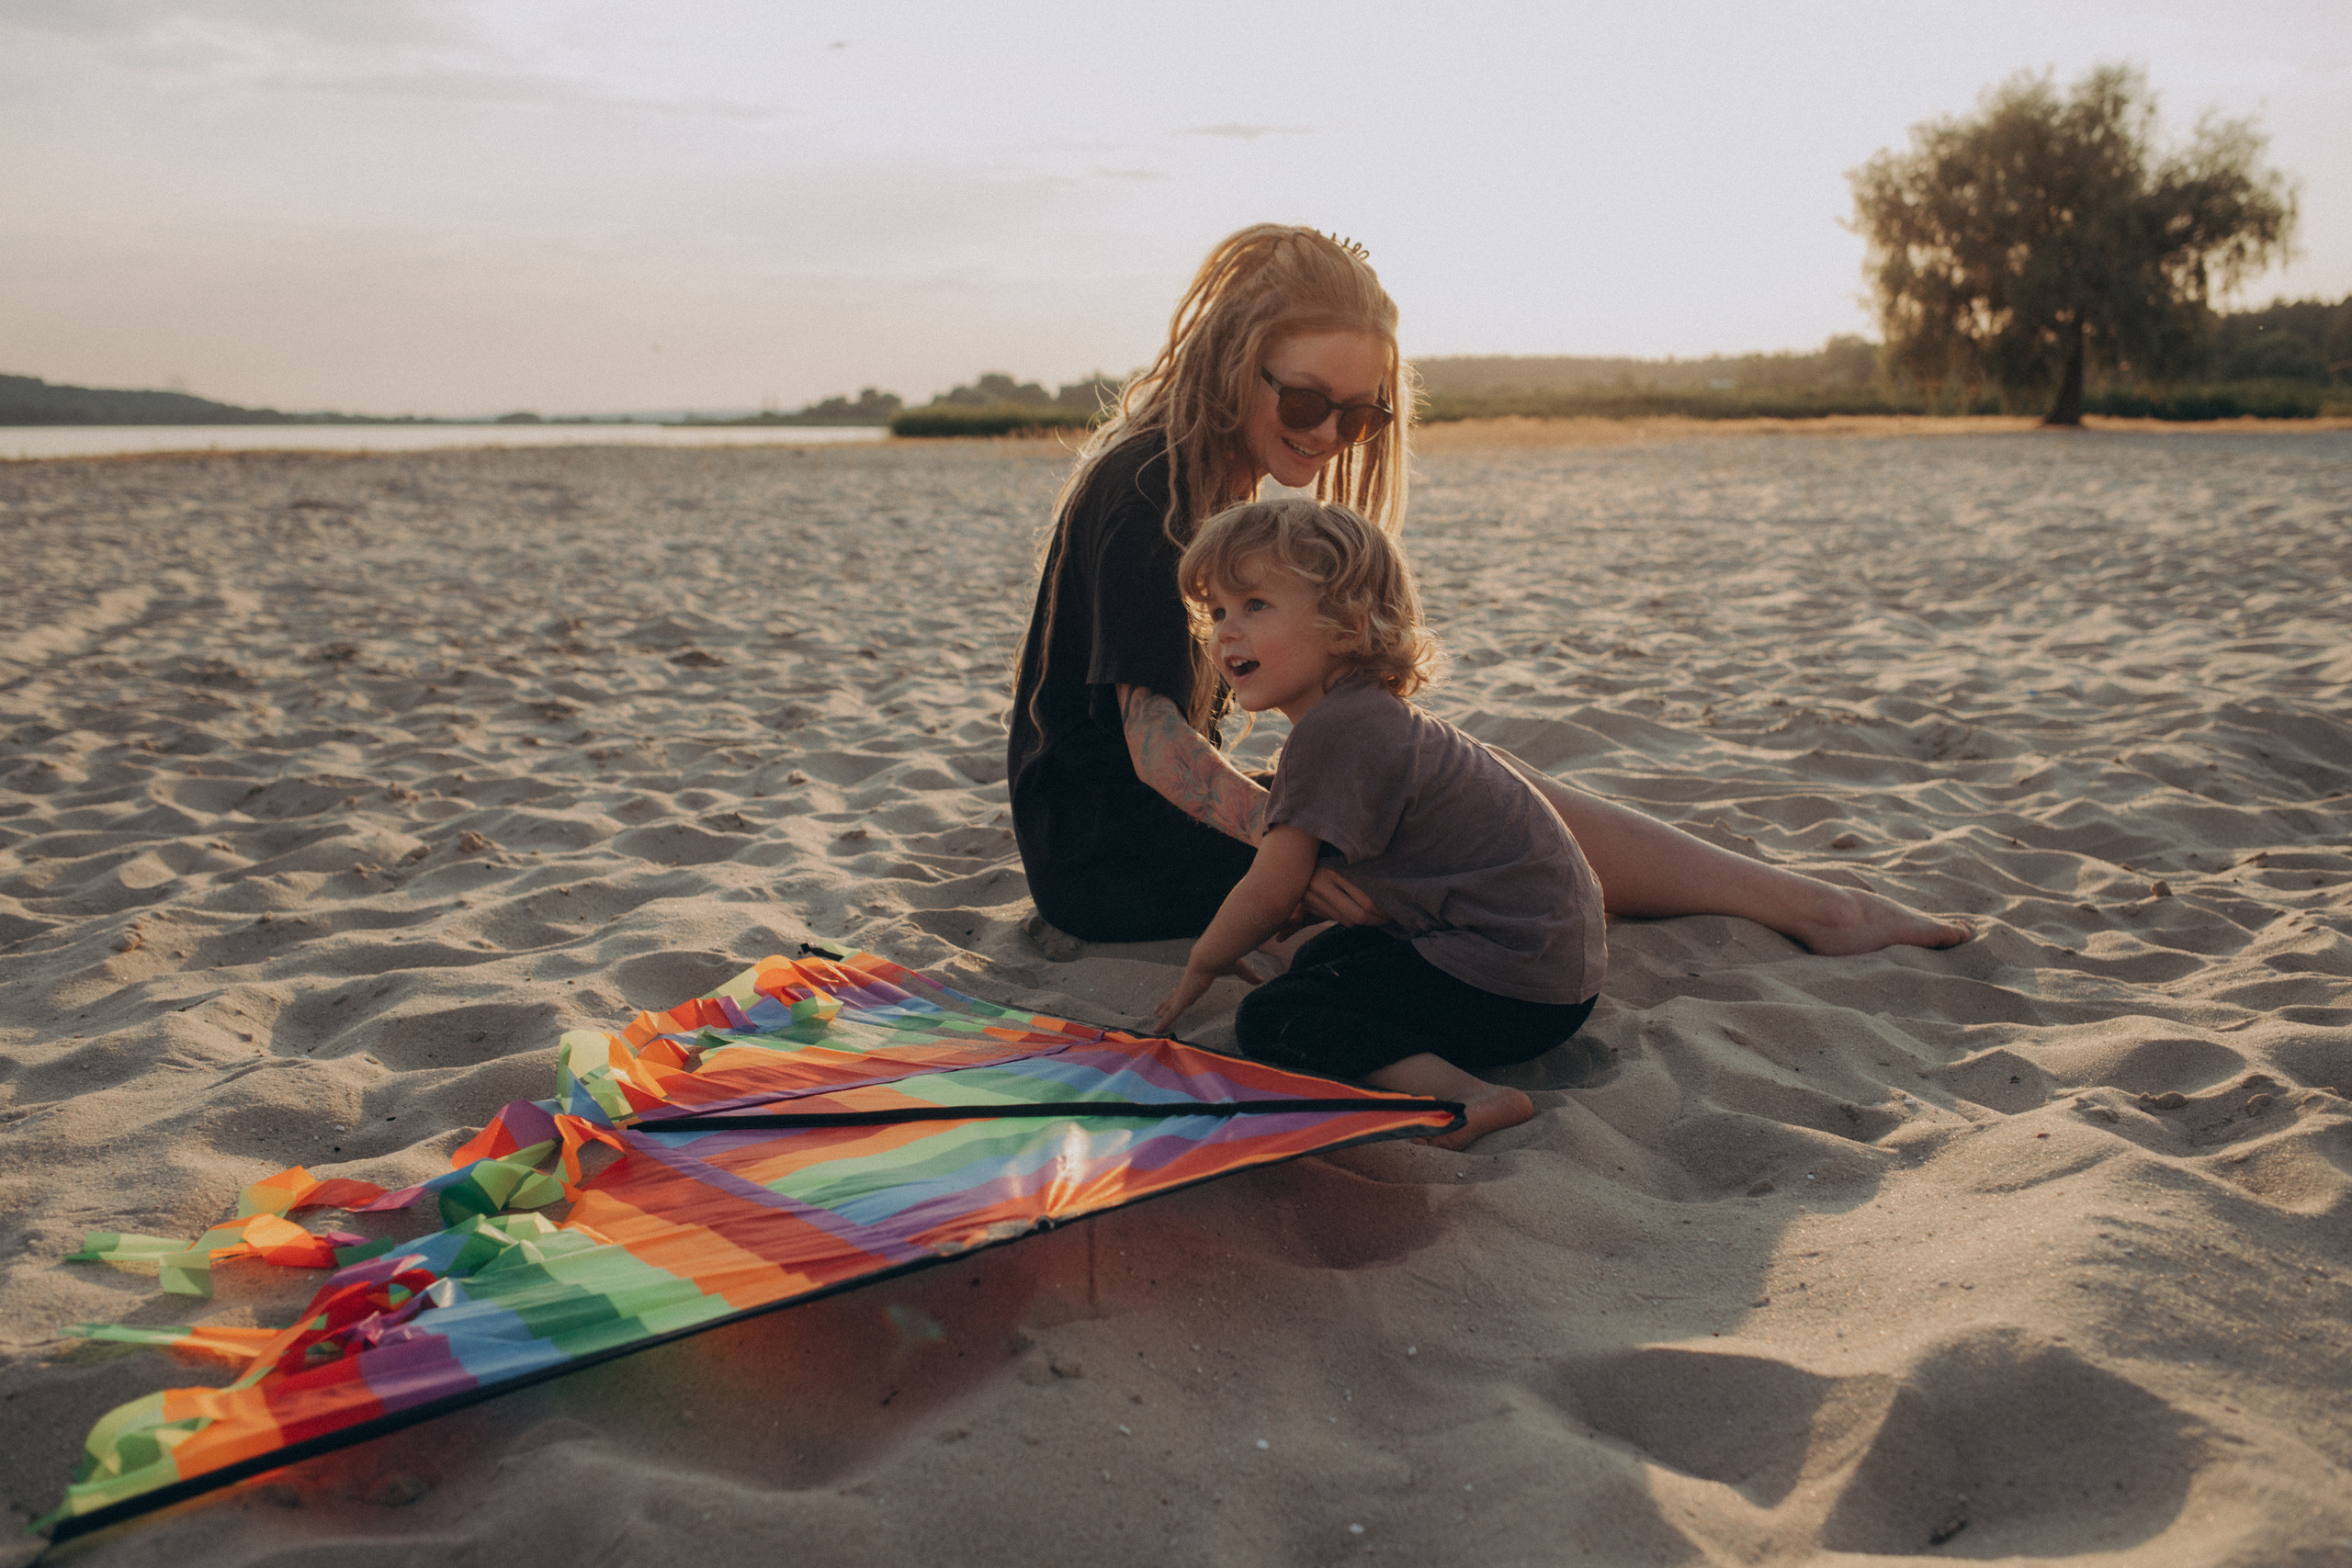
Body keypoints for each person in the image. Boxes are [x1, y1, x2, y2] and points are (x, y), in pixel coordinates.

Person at [1006, 222, 1968, 954]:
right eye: (1304, 400)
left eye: (1360, 415)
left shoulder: (1215, 478)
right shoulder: (1148, 488)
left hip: (1172, 823)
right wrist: (1280, 838)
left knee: (1467, 779)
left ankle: (1804, 904)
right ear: (1232, 359)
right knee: (1460, 819)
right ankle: (1806, 909)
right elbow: (1154, 746)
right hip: (1108, 857)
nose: (1328, 434)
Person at [1149, 499, 1598, 1147]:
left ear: (1347, 628)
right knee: (1323, 958)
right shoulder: (1367, 716)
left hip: (1515, 989)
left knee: (1277, 1017)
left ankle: (1470, 1097)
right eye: (1217, 612)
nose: (1225, 632)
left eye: (1254, 605)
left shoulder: (1330, 734)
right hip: (1552, 976)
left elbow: (1270, 888)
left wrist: (1204, 962)